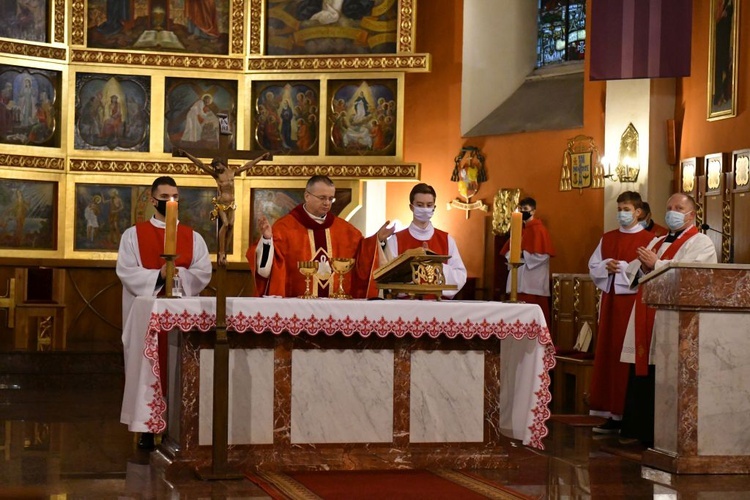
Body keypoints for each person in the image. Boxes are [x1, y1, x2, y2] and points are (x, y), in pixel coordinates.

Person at [116, 176, 212, 449]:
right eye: (165, 196)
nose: (170, 202)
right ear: (152, 199)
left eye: (175, 197)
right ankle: (147, 427)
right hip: (146, 317)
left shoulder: (193, 237)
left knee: (180, 366)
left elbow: (203, 272)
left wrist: (178, 273)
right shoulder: (133, 235)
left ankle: (182, 426)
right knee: (147, 367)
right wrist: (157, 276)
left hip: (182, 317)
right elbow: (126, 271)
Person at [619, 192, 717, 446]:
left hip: (670, 318)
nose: (672, 211)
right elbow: (634, 270)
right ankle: (638, 429)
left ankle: (660, 434)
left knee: (663, 371)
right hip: (645, 311)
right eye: (669, 206)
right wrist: (644, 265)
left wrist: (657, 263)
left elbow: (693, 278)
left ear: (692, 214)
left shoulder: (701, 243)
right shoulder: (658, 239)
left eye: (678, 207)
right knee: (643, 368)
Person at [249, 175, 392, 298]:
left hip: (336, 310)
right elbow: (266, 270)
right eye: (322, 198)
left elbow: (363, 256)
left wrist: (377, 240)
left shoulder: (345, 230)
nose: (327, 203)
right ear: (307, 196)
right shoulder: (285, 228)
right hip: (296, 308)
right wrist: (267, 239)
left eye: (331, 199)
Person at [587, 191, 654, 434]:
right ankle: (610, 413)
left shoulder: (650, 239)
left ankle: (628, 414)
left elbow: (652, 271)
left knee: (628, 357)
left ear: (638, 212)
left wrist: (625, 268)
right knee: (609, 353)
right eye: (619, 209)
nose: (622, 214)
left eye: (626, 209)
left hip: (635, 305)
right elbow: (593, 265)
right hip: (611, 301)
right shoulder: (607, 238)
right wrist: (607, 266)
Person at [176, 149, 272, 266]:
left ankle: (225, 252)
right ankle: (221, 252)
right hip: (221, 203)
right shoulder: (216, 175)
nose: (216, 168)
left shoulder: (232, 173)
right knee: (225, 224)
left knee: (231, 226)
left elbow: (248, 165)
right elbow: (200, 164)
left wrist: (261, 157)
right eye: (215, 167)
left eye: (217, 165)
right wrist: (186, 154)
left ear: (222, 163)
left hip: (232, 203)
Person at [380, 183, 466, 298]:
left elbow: (460, 276)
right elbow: (387, 277)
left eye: (429, 205)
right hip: (406, 308)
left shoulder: (447, 240)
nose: (425, 209)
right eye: (420, 205)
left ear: (434, 208)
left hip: (439, 307)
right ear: (411, 207)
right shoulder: (395, 240)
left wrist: (433, 265)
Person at [500, 197, 555, 324]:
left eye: (525, 209)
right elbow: (509, 252)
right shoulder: (519, 230)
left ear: (533, 211)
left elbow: (544, 255)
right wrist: (513, 254)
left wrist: (523, 255)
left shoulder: (540, 230)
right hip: (518, 278)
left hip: (533, 281)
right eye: (520, 209)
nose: (522, 211)